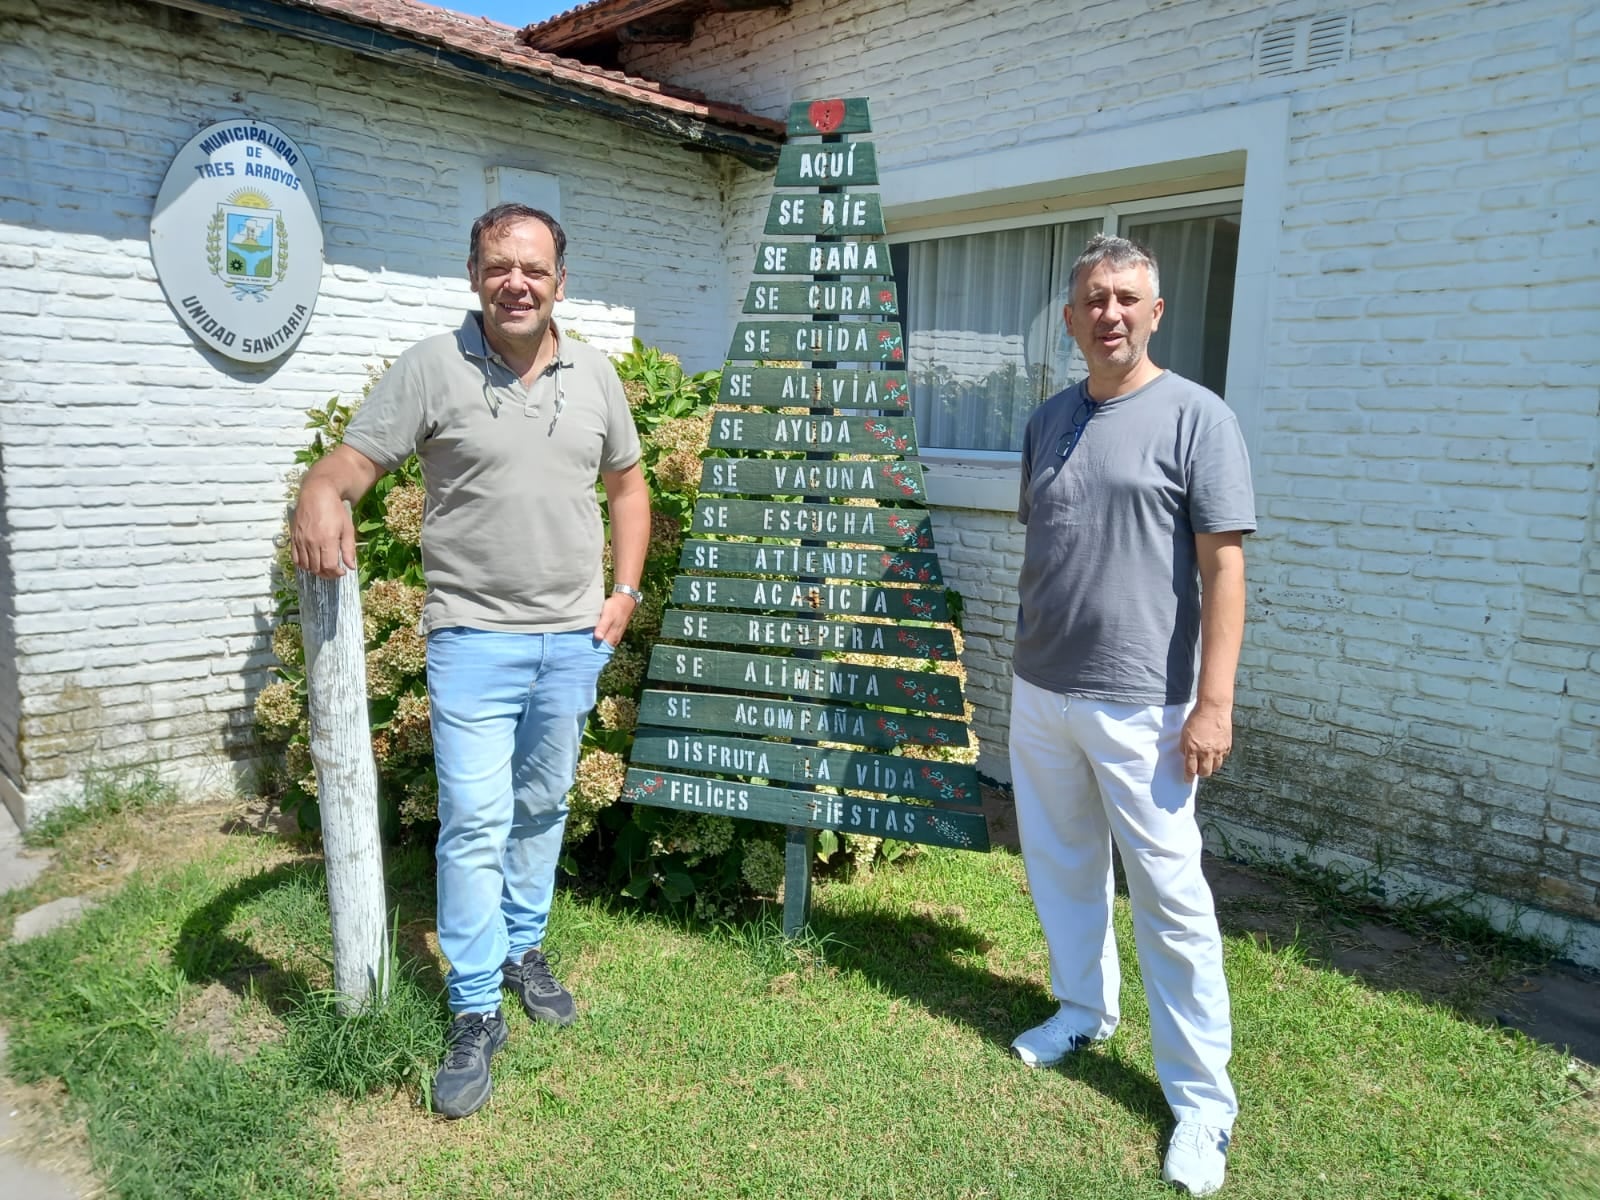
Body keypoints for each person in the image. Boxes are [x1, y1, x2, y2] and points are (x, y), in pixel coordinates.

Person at [291, 204, 649, 1119]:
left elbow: (628, 486)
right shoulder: (430, 369)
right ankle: (474, 1005)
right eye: (499, 267)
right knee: (476, 822)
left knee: (542, 807)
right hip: (472, 643)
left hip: (571, 641)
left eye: (533, 268)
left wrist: (625, 593)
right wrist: (320, 491)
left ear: (560, 281)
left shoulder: (597, 374)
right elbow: (353, 464)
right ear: (474, 275)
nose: (517, 283)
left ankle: (525, 949)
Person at [1008, 233, 1254, 1195]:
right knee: (1064, 866)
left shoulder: (1199, 418)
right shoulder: (1049, 420)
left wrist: (1213, 704)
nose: (1109, 313)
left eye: (1126, 298)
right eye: (1092, 299)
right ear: (1071, 319)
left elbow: (1224, 567)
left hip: (1146, 706)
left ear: (1155, 313)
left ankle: (1203, 1103)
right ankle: (1081, 1009)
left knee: (1171, 899)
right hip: (1042, 689)